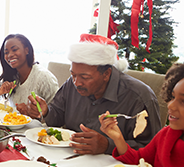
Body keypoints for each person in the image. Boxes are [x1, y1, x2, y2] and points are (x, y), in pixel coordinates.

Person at [27, 34, 161, 155]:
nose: (77, 83)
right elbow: (57, 117)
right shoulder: (72, 83)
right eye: (73, 75)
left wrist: (108, 145)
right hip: (67, 156)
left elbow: (150, 150)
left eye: (85, 77)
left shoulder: (138, 97)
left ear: (107, 74)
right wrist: (46, 112)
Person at [99, 63, 184, 167]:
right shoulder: (165, 135)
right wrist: (118, 139)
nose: (171, 106)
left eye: (183, 101)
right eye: (173, 97)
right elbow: (138, 161)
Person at [0, 34, 59, 112]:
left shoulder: (44, 77)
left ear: (26, 50)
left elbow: (58, 113)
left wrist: (34, 112)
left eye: (14, 50)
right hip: (14, 122)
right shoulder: (11, 76)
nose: (10, 55)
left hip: (39, 124)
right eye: (6, 52)